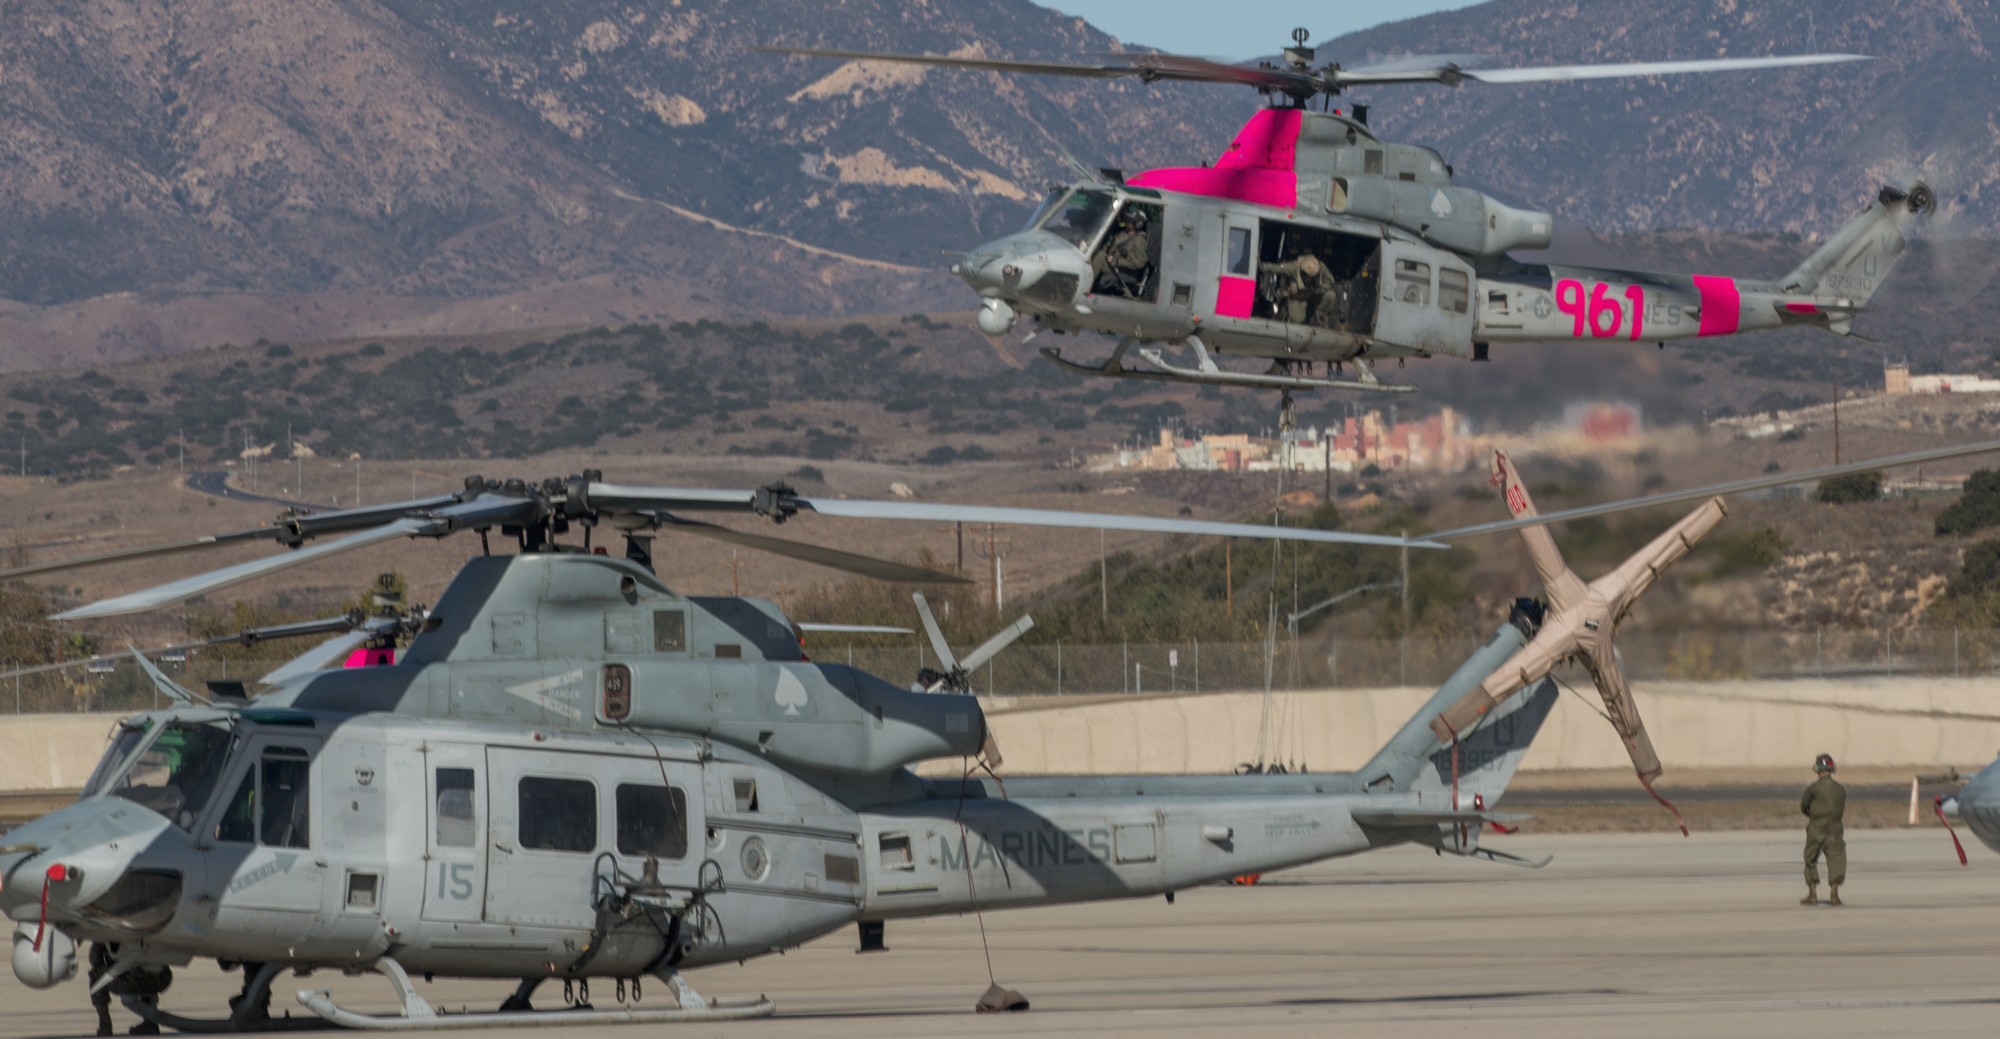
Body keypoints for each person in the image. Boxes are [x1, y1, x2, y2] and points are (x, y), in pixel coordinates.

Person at [1800, 752, 1846, 906]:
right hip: (1835, 828)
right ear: (1832, 769)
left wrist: (1812, 815)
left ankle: (1812, 895)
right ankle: (1835, 895)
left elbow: (1804, 806)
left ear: (1818, 770)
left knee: (1810, 859)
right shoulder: (1840, 789)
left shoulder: (1813, 788)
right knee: (1837, 859)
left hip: (1817, 828)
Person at [1264, 252, 1340, 326]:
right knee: (1297, 321)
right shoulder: (1294, 267)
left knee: (1330, 295)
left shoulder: (1321, 268)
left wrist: (1318, 289)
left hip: (1314, 295)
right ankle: (1285, 314)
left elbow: (1330, 281)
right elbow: (1276, 269)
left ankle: (1317, 318)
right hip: (1298, 298)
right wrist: (1261, 266)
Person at [1091, 209, 1150, 296]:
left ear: (1138, 223)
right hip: (1113, 264)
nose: (1127, 221)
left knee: (1100, 257)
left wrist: (1117, 261)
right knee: (1096, 253)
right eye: (1127, 218)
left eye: (1130, 220)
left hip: (1123, 270)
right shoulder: (1122, 233)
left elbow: (1140, 262)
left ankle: (1084, 284)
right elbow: (1108, 247)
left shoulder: (1139, 239)